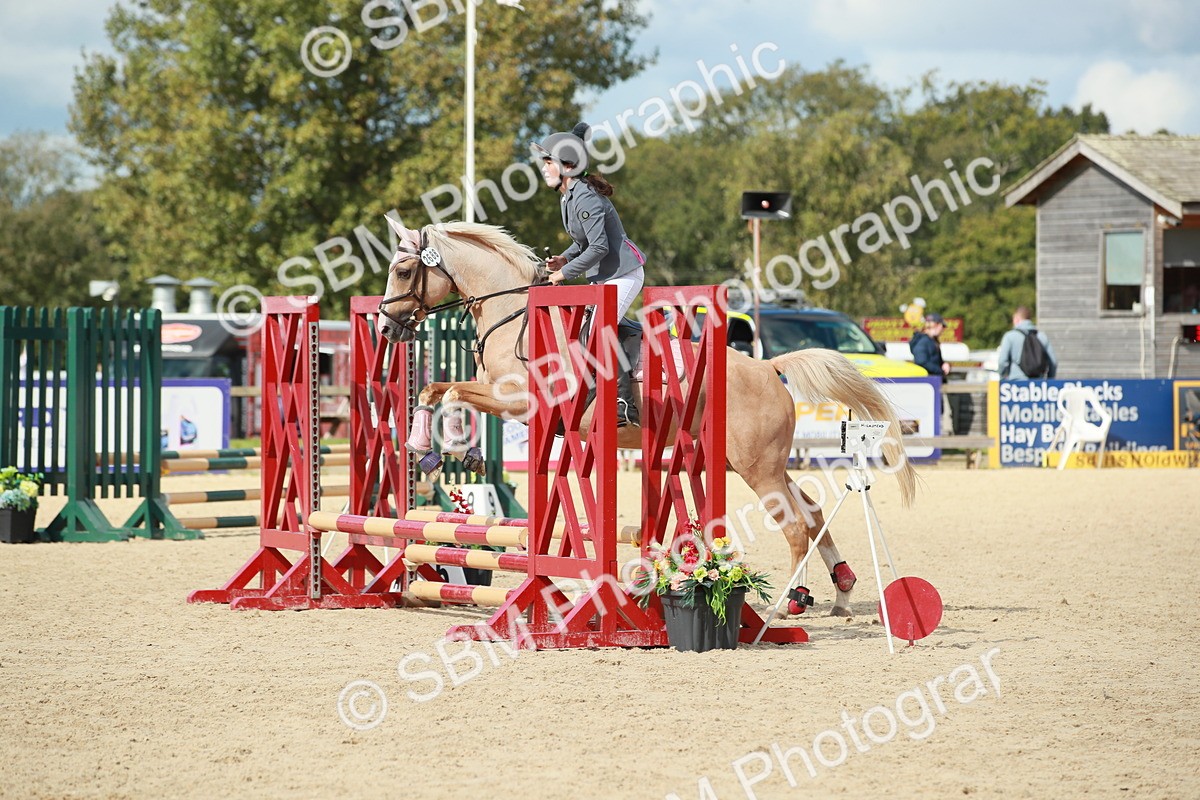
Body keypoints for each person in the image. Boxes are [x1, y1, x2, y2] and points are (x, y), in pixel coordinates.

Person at [532, 122, 646, 427]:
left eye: (548, 162)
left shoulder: (586, 197)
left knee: (596, 333)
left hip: (623, 273)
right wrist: (563, 258)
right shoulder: (568, 197)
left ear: (567, 165)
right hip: (605, 278)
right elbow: (581, 243)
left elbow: (598, 247)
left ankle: (624, 403)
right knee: (588, 332)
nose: (543, 168)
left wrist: (564, 274)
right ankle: (639, 337)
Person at [997, 306, 1058, 379]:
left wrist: (1002, 378)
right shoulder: (1042, 336)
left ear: (1017, 318)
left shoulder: (1010, 336)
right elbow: (1053, 362)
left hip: (1016, 383)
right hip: (1038, 384)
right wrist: (1050, 379)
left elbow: (1002, 361)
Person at [909, 313, 949, 379]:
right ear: (936, 325)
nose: (943, 330)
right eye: (942, 326)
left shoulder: (932, 340)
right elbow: (921, 361)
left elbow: (934, 360)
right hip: (927, 381)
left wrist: (944, 365)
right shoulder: (924, 341)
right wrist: (941, 371)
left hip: (931, 380)